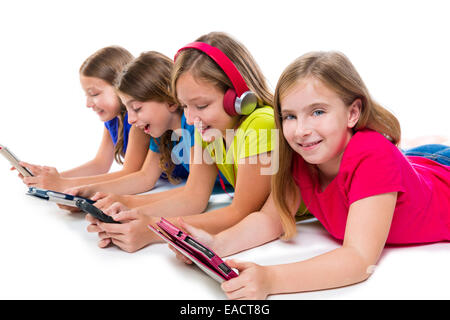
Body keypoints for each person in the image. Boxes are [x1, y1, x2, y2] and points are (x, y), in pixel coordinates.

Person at [172, 51, 450, 299]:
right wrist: (216, 244)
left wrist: (271, 278)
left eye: (317, 112)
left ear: (353, 113)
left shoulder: (372, 155)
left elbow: (358, 259)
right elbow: (271, 219)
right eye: (290, 116)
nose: (301, 129)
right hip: (419, 166)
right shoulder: (302, 157)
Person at [86, 32, 277, 253]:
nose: (189, 119)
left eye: (202, 105)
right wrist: (135, 213)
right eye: (185, 106)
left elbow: (241, 212)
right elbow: (194, 196)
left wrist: (153, 229)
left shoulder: (260, 125)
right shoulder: (210, 130)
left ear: (238, 98)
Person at [17, 46, 151, 193]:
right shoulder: (112, 120)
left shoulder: (138, 121)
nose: (88, 104)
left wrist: (63, 184)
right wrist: (50, 179)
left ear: (121, 87)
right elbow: (100, 164)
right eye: (86, 95)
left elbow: (129, 173)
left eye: (94, 94)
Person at [65, 51, 192, 201]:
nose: (131, 120)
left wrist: (126, 203)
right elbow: (145, 177)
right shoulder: (159, 130)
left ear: (171, 101)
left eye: (137, 108)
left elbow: (195, 194)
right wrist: (88, 191)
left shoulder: (192, 126)